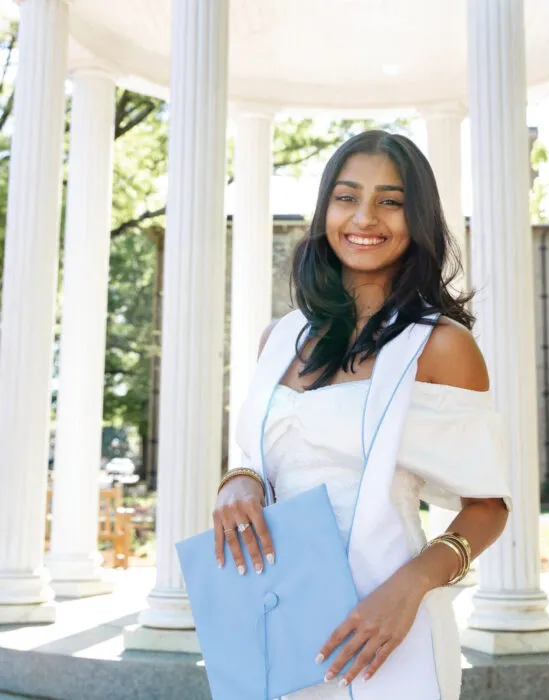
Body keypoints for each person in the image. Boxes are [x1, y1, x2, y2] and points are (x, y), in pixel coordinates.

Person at [213, 130, 511, 699]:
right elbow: (265, 460)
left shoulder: (441, 347)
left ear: (417, 218)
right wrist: (239, 481)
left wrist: (409, 590)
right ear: (326, 208)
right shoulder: (278, 338)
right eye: (347, 197)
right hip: (280, 616)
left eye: (390, 201)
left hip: (387, 627)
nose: (365, 217)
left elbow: (488, 507)